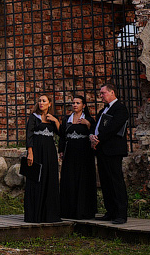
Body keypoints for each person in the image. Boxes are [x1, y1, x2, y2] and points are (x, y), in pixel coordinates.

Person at [89, 82, 129, 224]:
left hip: (113, 150)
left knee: (115, 181)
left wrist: (98, 139)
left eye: (103, 93)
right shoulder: (103, 111)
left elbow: (113, 127)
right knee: (105, 181)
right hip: (102, 150)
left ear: (112, 92)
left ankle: (121, 213)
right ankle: (110, 211)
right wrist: (92, 136)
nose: (101, 96)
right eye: (100, 94)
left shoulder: (120, 108)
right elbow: (96, 127)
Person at [23, 93, 61, 223]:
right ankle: (35, 214)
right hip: (37, 151)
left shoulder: (52, 118)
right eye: (39, 101)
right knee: (36, 179)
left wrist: (56, 121)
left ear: (49, 104)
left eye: (44, 101)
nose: (41, 103)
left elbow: (61, 134)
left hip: (50, 152)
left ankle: (49, 214)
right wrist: (30, 153)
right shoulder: (34, 117)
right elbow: (29, 135)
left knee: (50, 178)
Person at [59, 94, 97, 219]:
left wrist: (88, 125)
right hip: (70, 153)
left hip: (84, 153)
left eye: (78, 103)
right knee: (70, 179)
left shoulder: (89, 119)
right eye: (73, 103)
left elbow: (95, 133)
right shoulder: (66, 119)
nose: (75, 105)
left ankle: (84, 210)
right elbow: (62, 137)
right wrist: (61, 151)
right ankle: (68, 210)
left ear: (83, 105)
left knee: (83, 179)